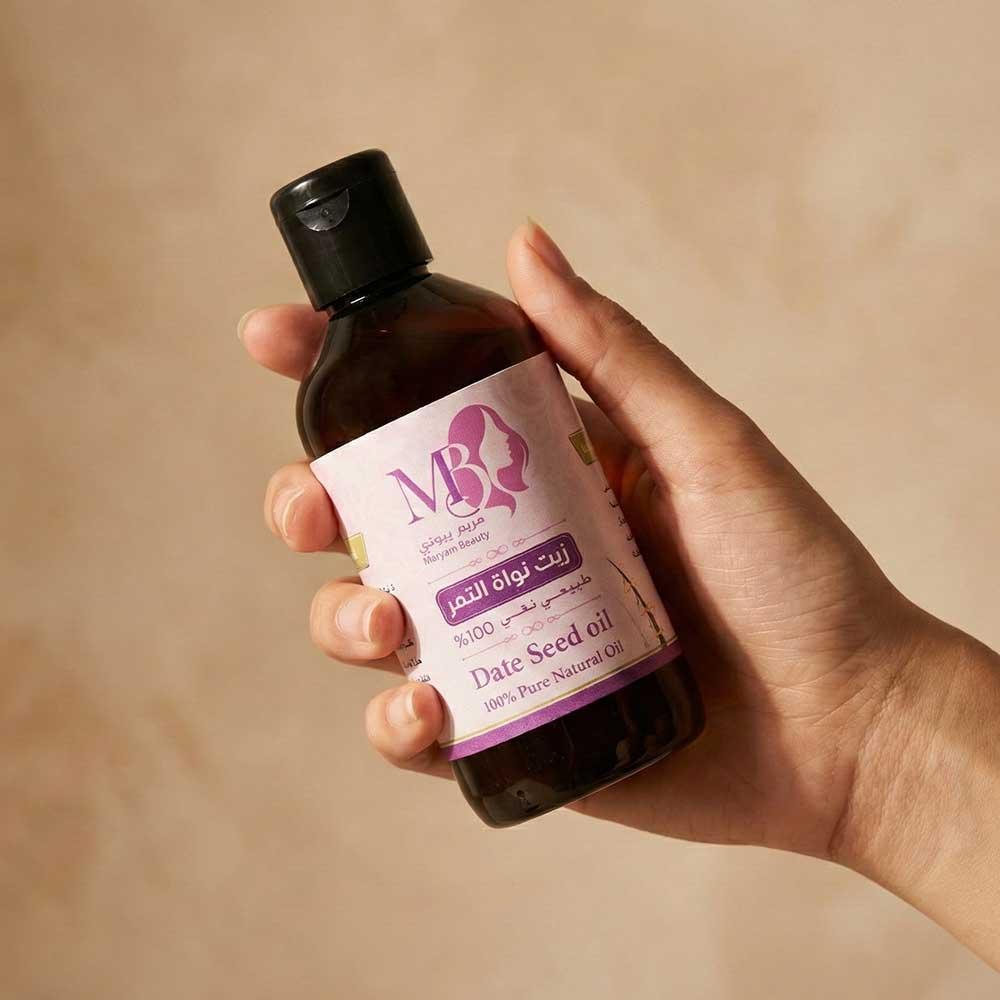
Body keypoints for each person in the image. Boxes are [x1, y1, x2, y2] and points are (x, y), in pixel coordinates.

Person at [239, 222, 1000, 970]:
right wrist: (871, 759)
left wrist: (871, 728)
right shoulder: (343, 390)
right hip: (534, 709)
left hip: (641, 674)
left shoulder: (475, 332)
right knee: (373, 610)